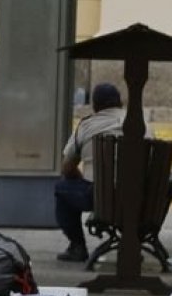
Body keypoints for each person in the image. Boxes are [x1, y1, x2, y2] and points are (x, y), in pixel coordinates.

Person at [53, 82, 148, 262]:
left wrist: (82, 179)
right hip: (139, 199)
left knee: (61, 188)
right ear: (120, 103)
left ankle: (77, 247)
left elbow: (66, 168)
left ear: (95, 106)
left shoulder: (87, 125)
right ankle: (132, 245)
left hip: (98, 198)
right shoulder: (141, 123)